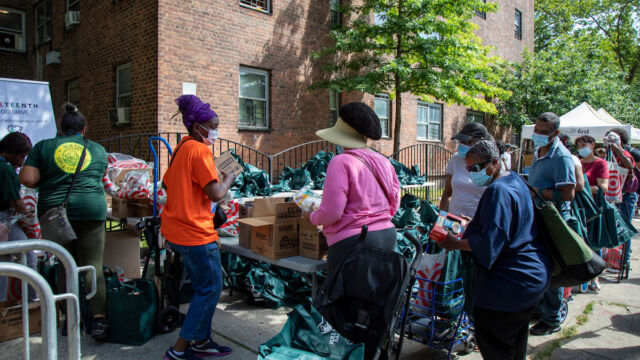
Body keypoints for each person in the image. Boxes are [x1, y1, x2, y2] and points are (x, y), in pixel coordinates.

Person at [439, 140, 551, 360]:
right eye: (469, 168)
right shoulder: (515, 180)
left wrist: (455, 244)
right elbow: (507, 225)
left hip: (510, 284)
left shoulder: (497, 191)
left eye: (477, 168)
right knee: (513, 342)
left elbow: (490, 243)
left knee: (495, 344)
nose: (472, 173)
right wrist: (475, 223)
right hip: (532, 278)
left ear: (495, 163)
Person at [19, 104, 110, 340]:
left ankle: (69, 318)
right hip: (91, 210)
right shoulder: (98, 149)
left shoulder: (44, 147)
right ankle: (99, 320)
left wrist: (50, 180)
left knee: (64, 263)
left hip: (54, 211)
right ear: (84, 129)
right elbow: (101, 176)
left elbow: (28, 178)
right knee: (93, 265)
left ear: (61, 128)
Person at [161, 95, 235, 360]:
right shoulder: (200, 150)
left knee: (204, 286)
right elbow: (216, 193)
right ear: (196, 127)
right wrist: (229, 179)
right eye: (212, 126)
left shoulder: (182, 147)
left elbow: (167, 184)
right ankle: (179, 349)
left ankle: (202, 341)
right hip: (196, 234)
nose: (215, 131)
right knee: (210, 288)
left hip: (176, 230)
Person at [304, 102, 401, 276]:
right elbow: (394, 204)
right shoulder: (384, 162)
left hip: (354, 243)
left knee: (348, 301)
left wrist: (311, 216)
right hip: (387, 236)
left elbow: (332, 213)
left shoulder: (341, 161)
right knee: (376, 301)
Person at [527, 112, 576, 336]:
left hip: (554, 220)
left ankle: (552, 318)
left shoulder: (562, 157)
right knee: (539, 267)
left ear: (555, 133)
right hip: (537, 216)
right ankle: (541, 309)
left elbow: (568, 194)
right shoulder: (540, 151)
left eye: (543, 131)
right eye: (536, 129)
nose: (537, 134)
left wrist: (537, 191)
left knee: (551, 271)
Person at [0, 132, 38, 302]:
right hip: (3, 219)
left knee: (7, 259)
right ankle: (32, 301)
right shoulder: (5, 168)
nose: (22, 160)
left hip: (6, 219)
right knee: (26, 256)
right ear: (11, 152)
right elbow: (15, 200)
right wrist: (28, 213)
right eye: (21, 156)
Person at [439, 122, 491, 218]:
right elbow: (447, 193)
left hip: (477, 226)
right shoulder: (456, 159)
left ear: (482, 142)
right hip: (453, 223)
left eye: (467, 142)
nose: (462, 145)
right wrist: (442, 219)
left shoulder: (491, 166)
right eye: (461, 141)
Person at [603, 128, 636, 269]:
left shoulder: (625, 154)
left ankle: (624, 259)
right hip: (613, 195)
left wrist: (618, 151)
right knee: (612, 227)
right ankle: (612, 258)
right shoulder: (608, 155)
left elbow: (630, 168)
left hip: (626, 196)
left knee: (625, 228)